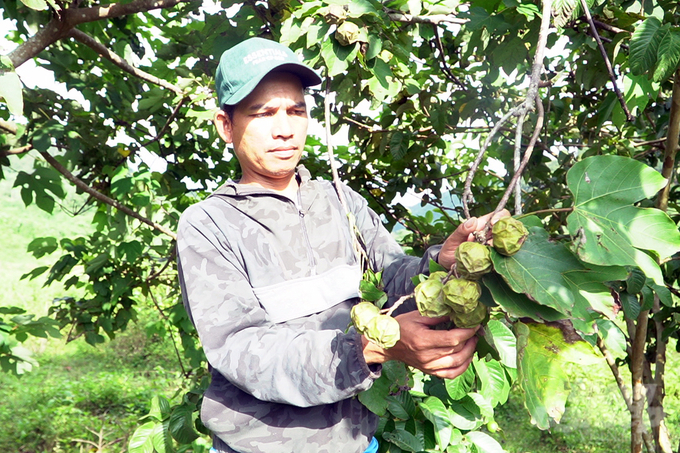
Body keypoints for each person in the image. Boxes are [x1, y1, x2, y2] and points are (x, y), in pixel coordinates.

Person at [177, 37, 506, 453]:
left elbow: (389, 280)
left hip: (357, 440)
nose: (284, 129)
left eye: (296, 111)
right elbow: (241, 350)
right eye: (264, 113)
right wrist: (369, 347)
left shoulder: (339, 200)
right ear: (227, 125)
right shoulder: (209, 225)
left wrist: (439, 261)